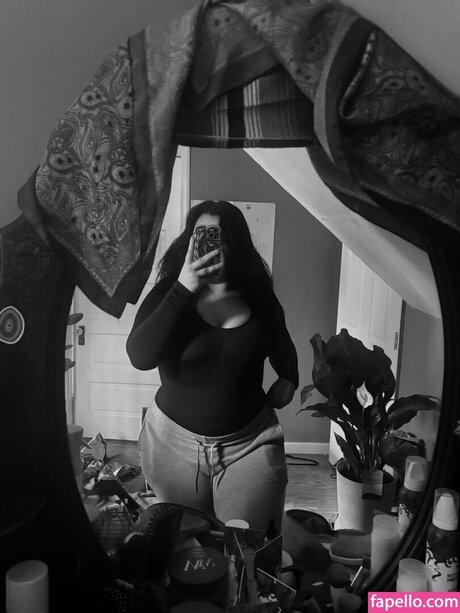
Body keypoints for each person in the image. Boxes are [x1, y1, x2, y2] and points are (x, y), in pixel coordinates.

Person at [126, 200, 299, 533]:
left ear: (237, 244)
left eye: (222, 237)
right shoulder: (167, 293)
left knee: (251, 547)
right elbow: (140, 357)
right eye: (203, 235)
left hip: (251, 443)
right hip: (171, 445)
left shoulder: (260, 296)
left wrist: (289, 378)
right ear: (190, 241)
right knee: (188, 546)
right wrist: (183, 288)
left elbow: (282, 345)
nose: (213, 246)